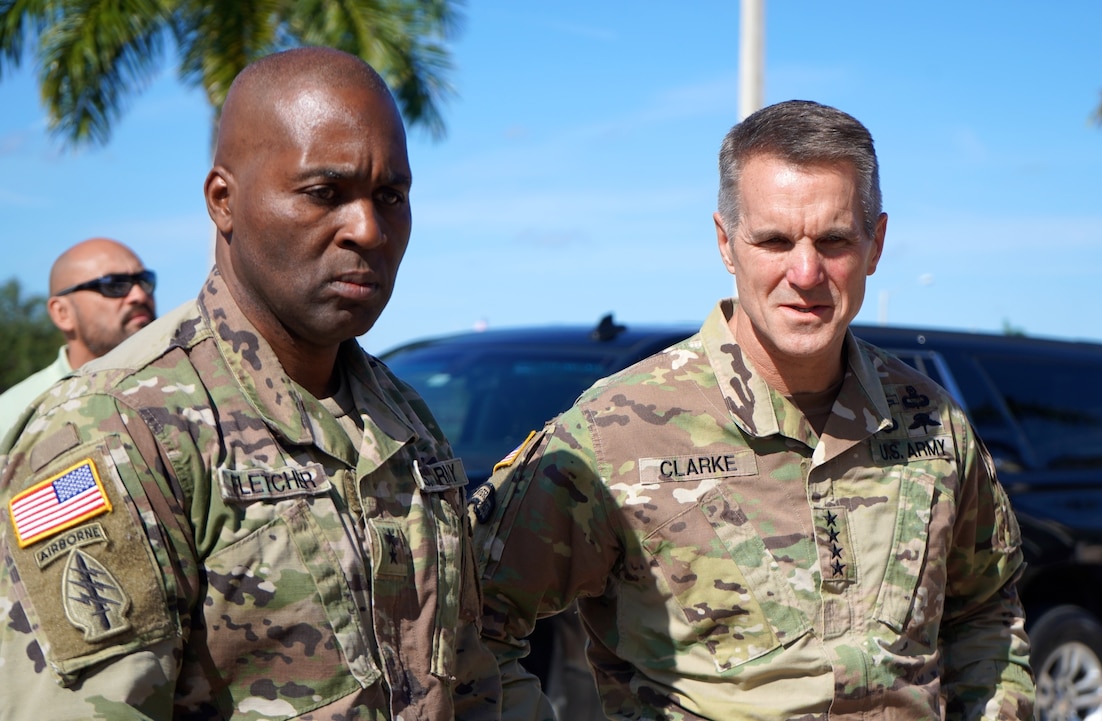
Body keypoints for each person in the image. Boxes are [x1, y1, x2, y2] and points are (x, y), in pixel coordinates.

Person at [458, 100, 1035, 719]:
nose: (806, 272)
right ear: (726, 243)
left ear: (877, 243)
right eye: (775, 240)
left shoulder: (932, 424)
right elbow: (469, 628)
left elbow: (986, 614)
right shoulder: (613, 434)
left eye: (834, 240)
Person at [0, 47, 493, 719]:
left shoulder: (401, 418)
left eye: (390, 196)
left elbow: (471, 674)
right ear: (223, 202)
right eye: (325, 193)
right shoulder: (114, 428)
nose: (368, 229)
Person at [0, 238, 156, 440]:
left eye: (145, 281)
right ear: (62, 312)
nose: (139, 295)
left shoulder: (185, 386)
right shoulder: (14, 418)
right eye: (114, 285)